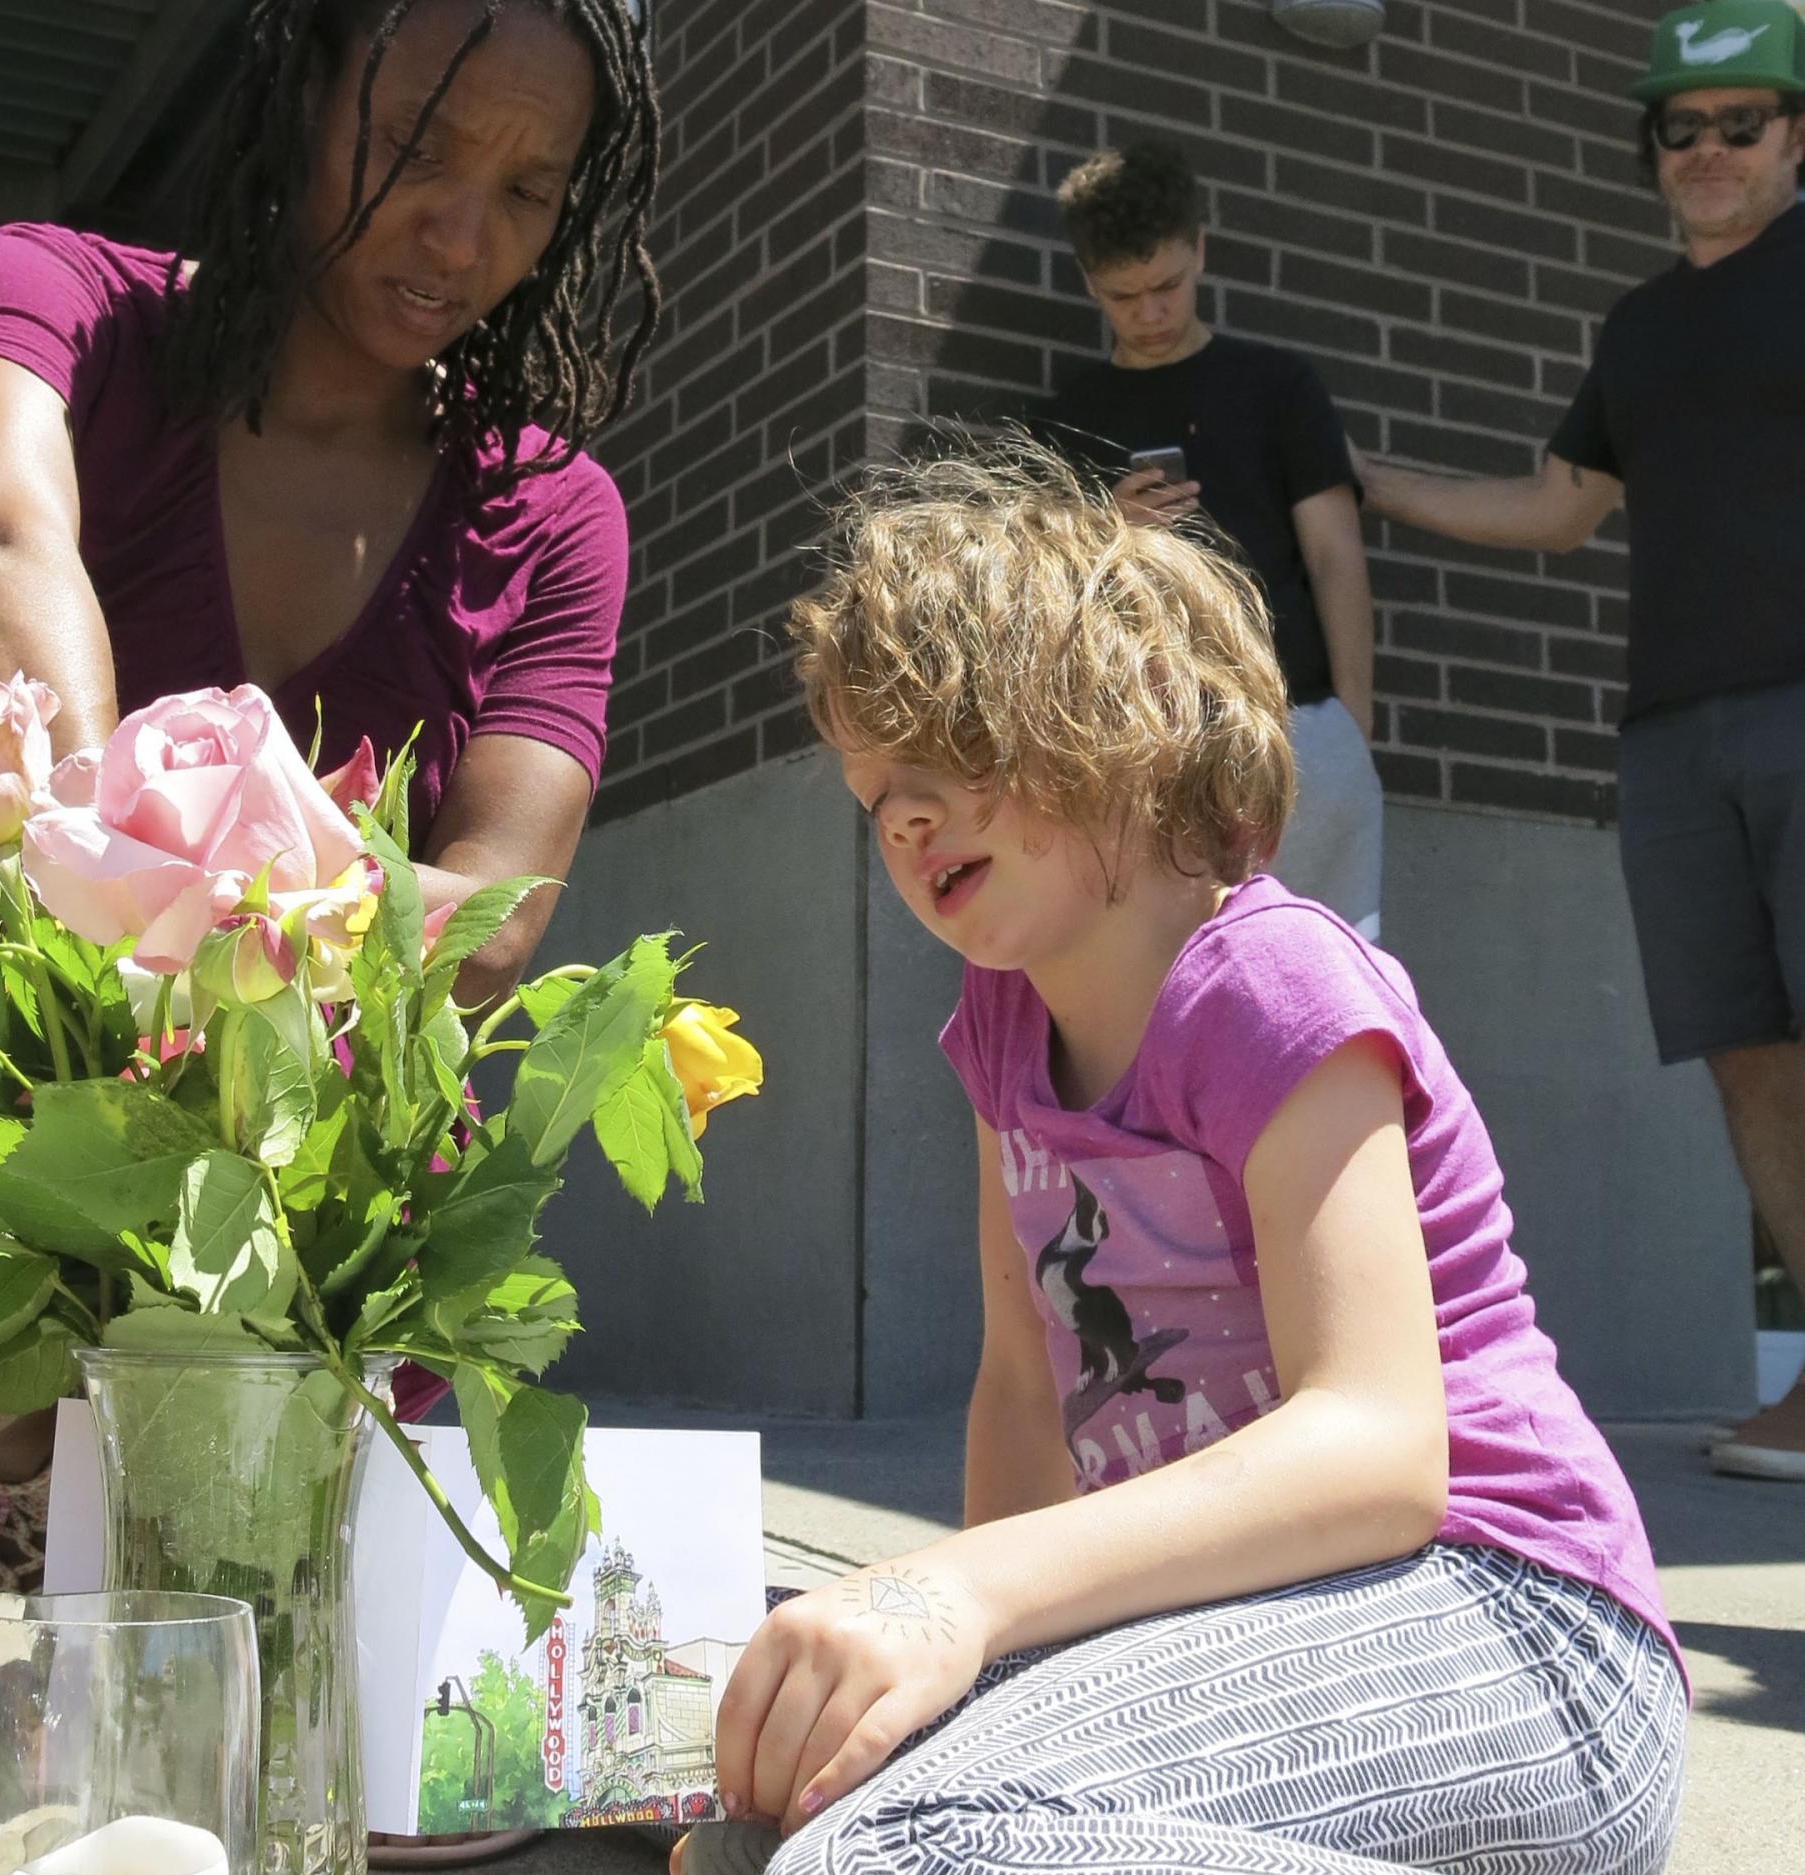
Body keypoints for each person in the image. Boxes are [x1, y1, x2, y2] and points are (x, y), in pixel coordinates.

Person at [0, 0, 662, 1532]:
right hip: (4, 1115)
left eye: (529, 190)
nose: (461, 235)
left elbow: (496, 912)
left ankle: (138, 1484)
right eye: (415, 146)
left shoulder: (554, 511)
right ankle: (15, 1479)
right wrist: (90, 884)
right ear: (303, 86)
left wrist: (200, 945)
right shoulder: (58, 304)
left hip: (300, 1190)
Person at [672, 448, 1683, 1875]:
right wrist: (961, 1657)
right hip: (1275, 1635)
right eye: (872, 788)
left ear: (1122, 707)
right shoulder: (1001, 1032)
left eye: (948, 747)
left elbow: (1383, 1447)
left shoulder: (1267, 980)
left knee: (899, 1852)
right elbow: (1024, 1386)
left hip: (1515, 1628)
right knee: (785, 1817)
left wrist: (964, 1586)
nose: (900, 815)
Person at [1357, 0, 1805, 1483]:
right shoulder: (1639, 327)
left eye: (1741, 123)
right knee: (1747, 1053)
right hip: (1673, 733)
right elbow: (1559, 507)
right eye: (1682, 130)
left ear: (1795, 132)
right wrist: (1371, 482)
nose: (1709, 152)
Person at [1039, 140, 1384, 938]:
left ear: (1201, 249)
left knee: (1321, 985)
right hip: (1135, 754)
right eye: (1125, 297)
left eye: (1168, 285)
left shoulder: (1277, 387)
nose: (1152, 313)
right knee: (1163, 999)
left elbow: (1337, 555)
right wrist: (1104, 532)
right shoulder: (1061, 423)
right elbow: (1038, 598)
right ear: (1090, 283)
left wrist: (1352, 723)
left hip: (1296, 730)